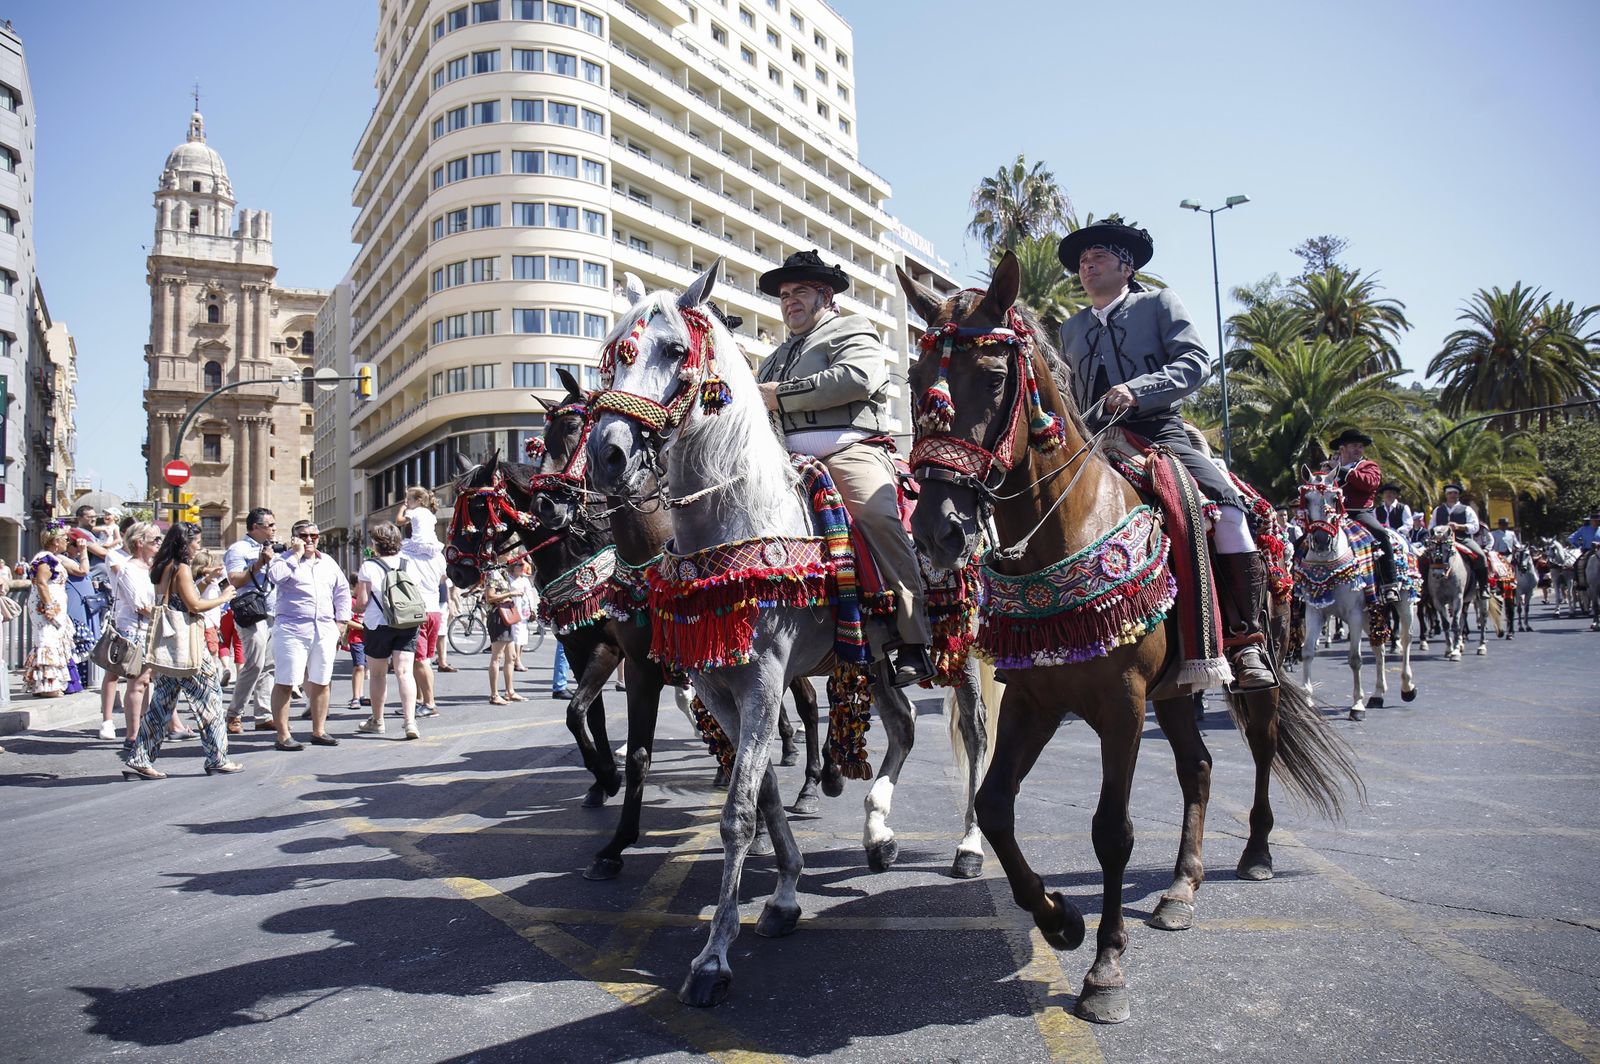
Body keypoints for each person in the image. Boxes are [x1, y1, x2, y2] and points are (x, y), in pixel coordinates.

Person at [1056, 221, 1273, 688]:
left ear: (1126, 266)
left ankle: (1246, 638)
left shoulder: (1157, 303)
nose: (1086, 267)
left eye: (1097, 258)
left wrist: (1137, 390)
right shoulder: (1070, 328)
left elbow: (1195, 362)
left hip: (1158, 432)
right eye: (1082, 262)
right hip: (1092, 443)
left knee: (1228, 507)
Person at [755, 249, 934, 686]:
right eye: (783, 295)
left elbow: (857, 378)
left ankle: (913, 638)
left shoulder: (853, 329)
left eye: (799, 291)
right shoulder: (774, 355)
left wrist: (779, 394)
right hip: (782, 460)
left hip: (846, 449)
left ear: (825, 295)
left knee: (876, 516)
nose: (789, 301)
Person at [121, 522, 242, 780]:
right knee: (210, 697)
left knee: (161, 704)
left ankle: (141, 757)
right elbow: (194, 605)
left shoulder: (162, 567)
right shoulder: (182, 568)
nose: (198, 546)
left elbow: (178, 599)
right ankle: (217, 758)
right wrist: (225, 597)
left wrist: (204, 581)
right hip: (188, 647)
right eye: (195, 541)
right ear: (184, 543)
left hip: (169, 645)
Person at [266, 520, 351, 751]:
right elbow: (276, 577)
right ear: (294, 537)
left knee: (322, 681)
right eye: (304, 535)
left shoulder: (328, 563)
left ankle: (319, 730)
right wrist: (295, 554)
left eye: (314, 535)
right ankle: (283, 735)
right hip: (292, 629)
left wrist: (341, 622)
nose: (309, 539)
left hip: (323, 629)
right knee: (286, 681)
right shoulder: (283, 560)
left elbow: (342, 591)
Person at [353, 522, 421, 740]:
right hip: (407, 622)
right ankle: (410, 722)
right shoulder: (409, 563)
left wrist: (353, 609)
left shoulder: (368, 566)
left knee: (378, 674)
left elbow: (362, 602)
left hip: (378, 624)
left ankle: (378, 720)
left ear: (375, 543)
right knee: (404, 672)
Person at [1322, 429, 1401, 603]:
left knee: (1381, 534)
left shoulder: (1369, 466)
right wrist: (1324, 475)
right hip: (1332, 515)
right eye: (1354, 446)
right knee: (1304, 541)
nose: (1359, 449)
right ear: (1342, 449)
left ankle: (1390, 584)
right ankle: (1298, 586)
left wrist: (1340, 470)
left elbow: (1368, 484)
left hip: (1359, 514)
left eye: (1360, 446)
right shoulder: (1329, 468)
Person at [223, 508, 279, 731]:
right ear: (255, 527)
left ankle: (263, 715)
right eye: (270, 525)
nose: (274, 529)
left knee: (269, 665)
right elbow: (235, 580)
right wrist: (258, 564)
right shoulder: (239, 549)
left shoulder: (275, 549)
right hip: (251, 611)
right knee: (254, 664)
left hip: (274, 610)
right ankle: (234, 714)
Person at [106, 523, 160, 749]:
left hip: (152, 628)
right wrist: (164, 614)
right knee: (137, 683)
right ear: (139, 543)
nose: (159, 543)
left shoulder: (152, 569)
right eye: (154, 539)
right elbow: (140, 605)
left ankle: (146, 729)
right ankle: (133, 734)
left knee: (148, 682)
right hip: (135, 630)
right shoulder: (128, 570)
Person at [23, 527, 84, 697]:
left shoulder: (52, 558)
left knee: (53, 641)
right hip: (46, 608)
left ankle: (51, 683)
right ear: (56, 541)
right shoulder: (45, 558)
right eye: (65, 538)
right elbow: (42, 583)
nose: (67, 542)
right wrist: (49, 606)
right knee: (46, 641)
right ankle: (47, 686)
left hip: (55, 607)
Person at [403, 516, 448, 720]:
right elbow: (442, 579)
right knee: (424, 660)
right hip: (434, 609)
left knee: (420, 660)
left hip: (417, 608)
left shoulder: (407, 554)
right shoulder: (438, 556)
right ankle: (420, 701)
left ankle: (429, 703)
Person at [1431, 484, 1490, 594]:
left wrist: (1460, 527)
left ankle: (1483, 587)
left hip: (1462, 539)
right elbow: (1431, 527)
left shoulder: (1466, 509)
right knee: (1424, 557)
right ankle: (1425, 588)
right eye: (1450, 493)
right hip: (1441, 542)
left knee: (1481, 556)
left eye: (1455, 493)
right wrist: (1439, 531)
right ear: (1446, 495)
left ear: (1458, 495)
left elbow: (1475, 526)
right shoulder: (1438, 510)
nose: (1452, 495)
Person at [485, 566, 523, 705]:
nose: (511, 556)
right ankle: (494, 694)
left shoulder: (503, 573)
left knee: (511, 656)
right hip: (498, 616)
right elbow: (489, 597)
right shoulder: (492, 573)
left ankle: (509, 691)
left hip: (506, 615)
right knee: (497, 657)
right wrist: (510, 594)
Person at [508, 559, 535, 672]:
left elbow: (530, 594)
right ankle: (516, 661)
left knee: (523, 636)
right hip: (513, 610)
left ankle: (519, 659)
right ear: (513, 567)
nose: (521, 567)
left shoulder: (525, 579)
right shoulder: (508, 579)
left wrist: (532, 608)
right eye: (519, 565)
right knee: (516, 636)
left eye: (522, 565)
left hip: (524, 610)